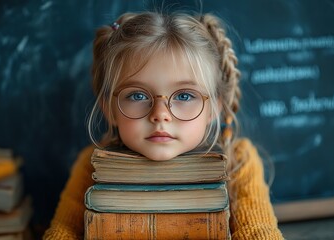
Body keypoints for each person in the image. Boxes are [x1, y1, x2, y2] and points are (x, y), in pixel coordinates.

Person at [43, 11, 284, 239]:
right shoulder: (92, 164)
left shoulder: (238, 160)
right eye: (137, 96)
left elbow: (257, 230)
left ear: (214, 108)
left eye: (184, 96)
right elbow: (64, 231)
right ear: (109, 109)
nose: (160, 115)